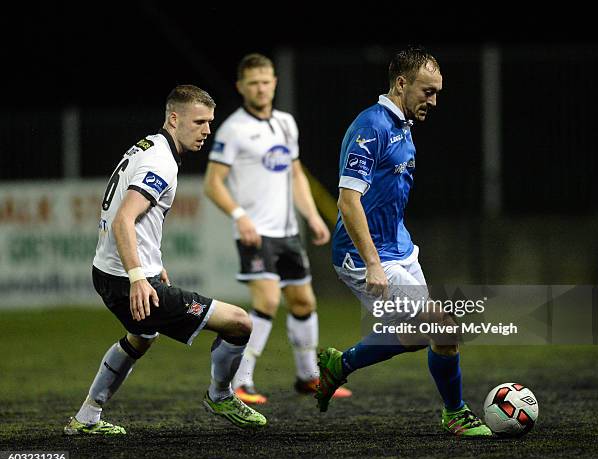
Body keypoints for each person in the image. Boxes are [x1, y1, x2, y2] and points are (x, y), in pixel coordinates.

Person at [63, 85, 267, 435]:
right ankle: (220, 395)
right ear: (174, 119)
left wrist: (152, 268)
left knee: (141, 337)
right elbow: (124, 219)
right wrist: (140, 278)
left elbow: (137, 222)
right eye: (199, 122)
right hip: (127, 280)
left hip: (108, 273)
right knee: (240, 323)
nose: (207, 130)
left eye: (210, 122)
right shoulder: (160, 161)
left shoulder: (149, 145)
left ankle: (86, 417)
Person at [315, 46, 492, 437]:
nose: (434, 100)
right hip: (365, 258)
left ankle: (339, 365)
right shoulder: (371, 127)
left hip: (400, 250)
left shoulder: (404, 129)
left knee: (417, 335)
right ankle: (455, 413)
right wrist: (374, 262)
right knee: (444, 328)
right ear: (401, 83)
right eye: (427, 91)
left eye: (438, 92)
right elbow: (348, 202)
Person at [204, 53, 351, 404]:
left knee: (303, 301)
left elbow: (295, 173)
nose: (261, 88)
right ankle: (240, 382)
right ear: (241, 87)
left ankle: (307, 378)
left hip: (287, 233)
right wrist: (239, 215)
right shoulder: (233, 129)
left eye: (266, 81)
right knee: (268, 299)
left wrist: (312, 215)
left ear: (274, 83)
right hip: (256, 233)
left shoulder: (286, 123)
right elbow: (213, 183)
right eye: (253, 82)